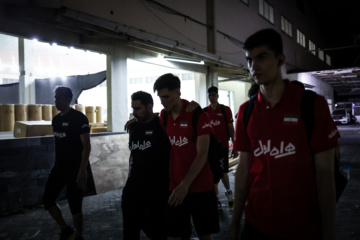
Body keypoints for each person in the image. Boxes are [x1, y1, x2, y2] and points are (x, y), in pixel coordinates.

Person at [229, 29, 340, 240]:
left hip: (302, 228)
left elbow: (325, 175)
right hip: (255, 226)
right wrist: (235, 224)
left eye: (261, 57)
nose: (254, 66)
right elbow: (243, 171)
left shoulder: (311, 106)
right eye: (249, 60)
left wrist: (329, 232)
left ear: (281, 60)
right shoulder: (246, 111)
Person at [153, 73, 219, 240]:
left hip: (200, 187)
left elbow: (202, 154)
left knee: (204, 235)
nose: (163, 101)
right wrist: (135, 120)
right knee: (173, 235)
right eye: (160, 97)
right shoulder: (164, 116)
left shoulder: (197, 115)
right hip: (175, 188)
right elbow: (152, 119)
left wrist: (185, 185)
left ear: (178, 93)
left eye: (166, 96)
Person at [42, 86, 91, 240]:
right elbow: (58, 143)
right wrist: (55, 161)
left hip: (75, 168)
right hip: (60, 167)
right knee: (47, 199)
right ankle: (66, 229)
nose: (56, 101)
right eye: (55, 98)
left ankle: (79, 236)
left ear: (68, 100)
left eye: (59, 98)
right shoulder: (56, 120)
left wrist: (82, 170)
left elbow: (86, 146)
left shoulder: (79, 118)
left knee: (74, 204)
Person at [121, 91, 171, 240]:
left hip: (157, 189)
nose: (134, 113)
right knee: (130, 230)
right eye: (132, 109)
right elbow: (134, 153)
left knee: (159, 231)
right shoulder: (134, 127)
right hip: (134, 187)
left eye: (137, 109)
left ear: (149, 107)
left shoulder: (162, 125)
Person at [204, 86, 238, 209]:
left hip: (223, 147)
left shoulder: (224, 110)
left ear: (217, 96)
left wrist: (235, 146)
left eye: (214, 94)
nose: (212, 97)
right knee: (212, 174)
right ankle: (216, 198)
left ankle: (229, 193)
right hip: (210, 149)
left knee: (223, 172)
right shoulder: (204, 112)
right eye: (210, 95)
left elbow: (231, 128)